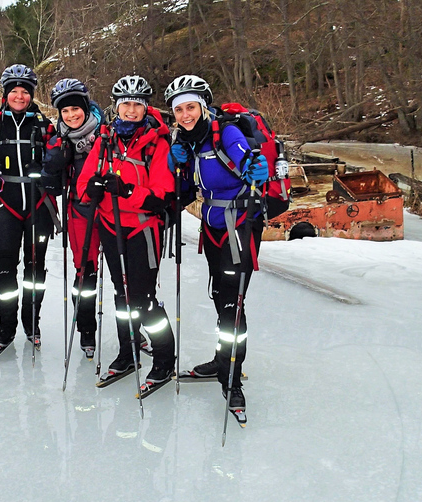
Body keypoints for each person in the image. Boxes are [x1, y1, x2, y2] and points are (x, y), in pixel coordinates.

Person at [164, 74, 269, 413]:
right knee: (220, 297)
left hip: (238, 226)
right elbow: (184, 186)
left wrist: (255, 166)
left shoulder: (226, 132)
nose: (185, 115)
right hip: (211, 228)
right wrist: (176, 163)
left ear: (203, 106)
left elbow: (248, 160)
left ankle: (232, 379)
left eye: (191, 107)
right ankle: (222, 361)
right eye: (179, 110)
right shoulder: (186, 141)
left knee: (232, 306)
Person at [76, 74, 176, 387]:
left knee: (143, 299)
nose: (130, 110)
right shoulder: (105, 138)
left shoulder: (157, 143)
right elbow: (83, 184)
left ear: (146, 108)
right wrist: (91, 189)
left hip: (143, 229)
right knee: (122, 296)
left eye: (137, 104)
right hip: (111, 226)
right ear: (116, 107)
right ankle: (127, 351)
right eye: (125, 104)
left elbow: (163, 192)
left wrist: (129, 191)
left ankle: (163, 359)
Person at [0, 64, 57, 359]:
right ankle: (6, 328)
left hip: (38, 207)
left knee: (35, 272)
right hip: (5, 206)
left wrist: (47, 169)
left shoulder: (44, 125)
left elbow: (60, 163)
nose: (20, 96)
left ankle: (31, 324)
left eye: (25, 91)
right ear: (6, 94)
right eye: (15, 91)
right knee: (5, 271)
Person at [41, 78, 104, 358]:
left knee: (125, 275)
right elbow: (52, 185)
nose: (71, 115)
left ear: (86, 107)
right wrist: (53, 165)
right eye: (64, 111)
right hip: (79, 211)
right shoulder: (58, 138)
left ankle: (134, 333)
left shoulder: (107, 133)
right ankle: (86, 331)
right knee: (85, 274)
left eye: (75, 109)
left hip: (113, 212)